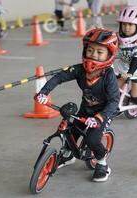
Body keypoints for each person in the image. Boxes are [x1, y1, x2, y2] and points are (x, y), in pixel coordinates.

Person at [35, 28, 120, 182]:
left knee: (92, 140)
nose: (93, 54)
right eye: (90, 50)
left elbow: (114, 101)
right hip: (86, 109)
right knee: (71, 131)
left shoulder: (109, 76)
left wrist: (99, 118)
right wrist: (44, 92)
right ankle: (68, 155)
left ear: (109, 55)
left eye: (99, 52)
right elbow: (59, 77)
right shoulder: (80, 70)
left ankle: (102, 163)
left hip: (103, 113)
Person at [113, 5, 137, 120]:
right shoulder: (118, 37)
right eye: (124, 24)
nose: (126, 27)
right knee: (114, 90)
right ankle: (115, 106)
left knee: (135, 95)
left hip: (136, 72)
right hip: (122, 70)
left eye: (130, 24)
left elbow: (136, 59)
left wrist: (130, 73)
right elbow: (108, 43)